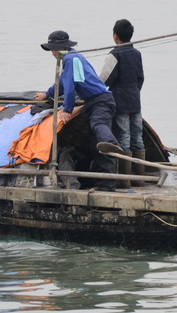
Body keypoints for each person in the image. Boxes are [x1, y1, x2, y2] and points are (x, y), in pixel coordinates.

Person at [34, 30, 123, 192]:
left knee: (99, 125)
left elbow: (69, 87)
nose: (53, 53)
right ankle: (106, 185)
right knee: (95, 143)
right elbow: (61, 84)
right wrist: (47, 94)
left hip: (101, 100)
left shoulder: (70, 59)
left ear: (62, 47)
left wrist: (67, 110)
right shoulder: (74, 58)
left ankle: (111, 144)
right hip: (93, 101)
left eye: (54, 49)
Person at [98, 19, 145, 187]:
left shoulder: (115, 54)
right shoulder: (136, 53)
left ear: (115, 36)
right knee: (137, 137)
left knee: (124, 136)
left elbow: (104, 79)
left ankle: (125, 181)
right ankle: (139, 179)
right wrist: (135, 90)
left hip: (120, 99)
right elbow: (140, 78)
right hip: (135, 98)